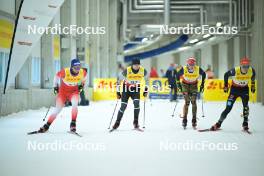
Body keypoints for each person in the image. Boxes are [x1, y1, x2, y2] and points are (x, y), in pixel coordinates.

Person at [38, 58, 87, 133]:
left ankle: (73, 124)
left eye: (79, 67)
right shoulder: (65, 72)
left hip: (74, 92)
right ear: (71, 67)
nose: (77, 70)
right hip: (63, 93)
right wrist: (55, 86)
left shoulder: (82, 72)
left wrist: (82, 85)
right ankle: (47, 125)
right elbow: (56, 76)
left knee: (74, 104)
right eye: (75, 68)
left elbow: (84, 77)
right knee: (57, 110)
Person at [210, 57, 256, 132]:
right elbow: (226, 75)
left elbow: (253, 77)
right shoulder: (235, 70)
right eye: (244, 66)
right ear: (241, 65)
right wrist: (225, 86)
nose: (246, 68)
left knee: (246, 106)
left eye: (247, 66)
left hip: (244, 90)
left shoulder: (252, 70)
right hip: (234, 90)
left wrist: (253, 86)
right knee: (228, 108)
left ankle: (245, 123)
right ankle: (218, 123)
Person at [111, 58, 148, 131]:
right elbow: (119, 81)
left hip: (136, 89)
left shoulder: (143, 71)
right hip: (126, 89)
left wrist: (145, 90)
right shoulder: (127, 71)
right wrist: (118, 92)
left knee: (137, 103)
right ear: (132, 65)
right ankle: (117, 123)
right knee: (123, 106)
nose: (136, 66)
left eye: (138, 65)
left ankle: (136, 122)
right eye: (135, 65)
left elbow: (146, 81)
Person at [177, 57, 206, 129]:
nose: (191, 66)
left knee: (193, 101)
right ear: (187, 64)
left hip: (194, 86)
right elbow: (177, 75)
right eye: (190, 65)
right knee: (187, 102)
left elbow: (204, 74)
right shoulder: (184, 69)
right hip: (185, 85)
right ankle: (184, 119)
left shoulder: (197, 69)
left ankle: (194, 119)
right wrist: (178, 84)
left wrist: (202, 83)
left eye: (192, 65)